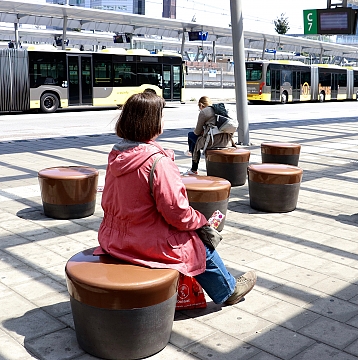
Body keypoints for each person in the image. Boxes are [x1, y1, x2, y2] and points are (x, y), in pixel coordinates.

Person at [96, 92, 256, 305]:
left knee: (190, 235)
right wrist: (199, 221)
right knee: (198, 244)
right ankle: (228, 290)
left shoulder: (116, 155)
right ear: (152, 122)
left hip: (113, 237)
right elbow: (177, 213)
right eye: (160, 116)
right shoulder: (156, 162)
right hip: (143, 243)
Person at [185, 96, 234, 175]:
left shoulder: (204, 112)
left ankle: (193, 167)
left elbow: (197, 132)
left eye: (199, 107)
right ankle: (191, 154)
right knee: (195, 141)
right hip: (227, 141)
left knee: (191, 135)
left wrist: (202, 132)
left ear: (201, 105)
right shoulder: (221, 109)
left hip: (212, 142)